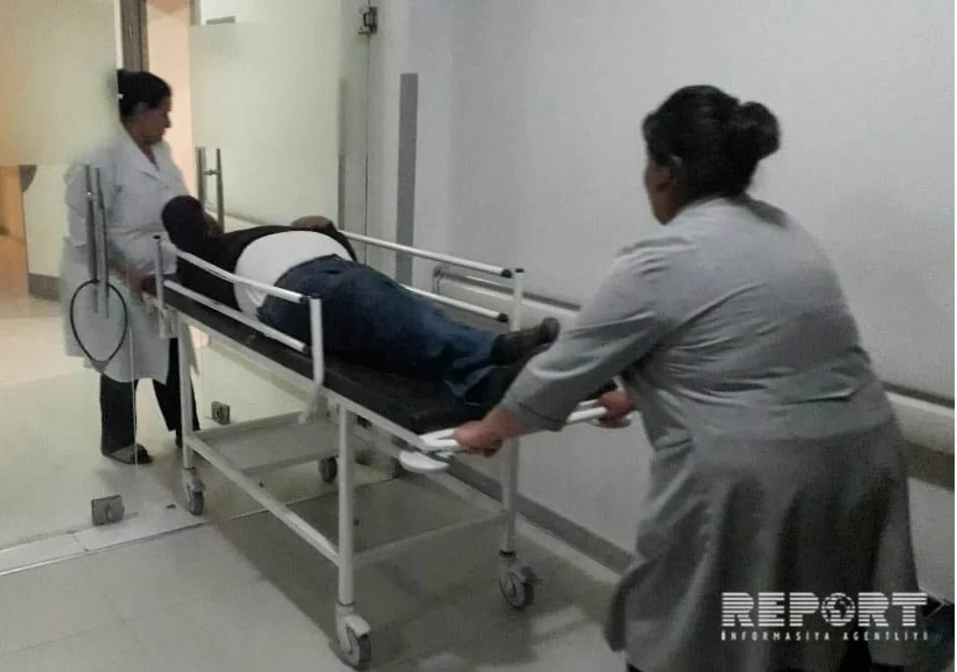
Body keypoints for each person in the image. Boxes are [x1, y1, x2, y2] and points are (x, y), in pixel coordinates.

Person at [454, 86, 919, 672]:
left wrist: (489, 429)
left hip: (755, 482)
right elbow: (747, 354)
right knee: (818, 624)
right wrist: (635, 396)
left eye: (647, 163)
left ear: (667, 171)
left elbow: (559, 372)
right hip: (867, 458)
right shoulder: (788, 233)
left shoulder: (662, 256)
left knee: (690, 632)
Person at [158, 195, 584, 408]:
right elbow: (181, 220)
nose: (209, 220)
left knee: (392, 331)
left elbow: (350, 255)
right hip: (291, 292)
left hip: (334, 271)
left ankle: (484, 384)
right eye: (202, 219)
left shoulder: (247, 235)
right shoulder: (200, 260)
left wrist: (328, 230)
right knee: (385, 309)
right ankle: (494, 348)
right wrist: (190, 230)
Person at [59, 70, 199, 465]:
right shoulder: (98, 157)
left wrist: (199, 221)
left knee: (171, 345)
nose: (169, 123)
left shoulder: (160, 150)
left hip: (160, 262)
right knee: (123, 355)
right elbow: (86, 229)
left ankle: (187, 431)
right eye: (164, 113)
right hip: (112, 269)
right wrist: (125, 272)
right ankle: (117, 440)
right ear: (140, 111)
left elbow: (175, 198)